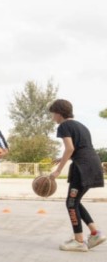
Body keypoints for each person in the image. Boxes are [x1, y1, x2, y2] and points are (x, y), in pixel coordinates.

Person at [49, 99, 106, 252]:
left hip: (82, 168)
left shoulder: (64, 126)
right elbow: (80, 148)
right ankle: (94, 233)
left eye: (53, 114)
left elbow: (70, 148)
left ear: (59, 113)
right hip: (93, 164)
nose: (52, 117)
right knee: (75, 201)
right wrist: (62, 158)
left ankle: (79, 241)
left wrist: (58, 170)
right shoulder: (81, 125)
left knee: (71, 203)